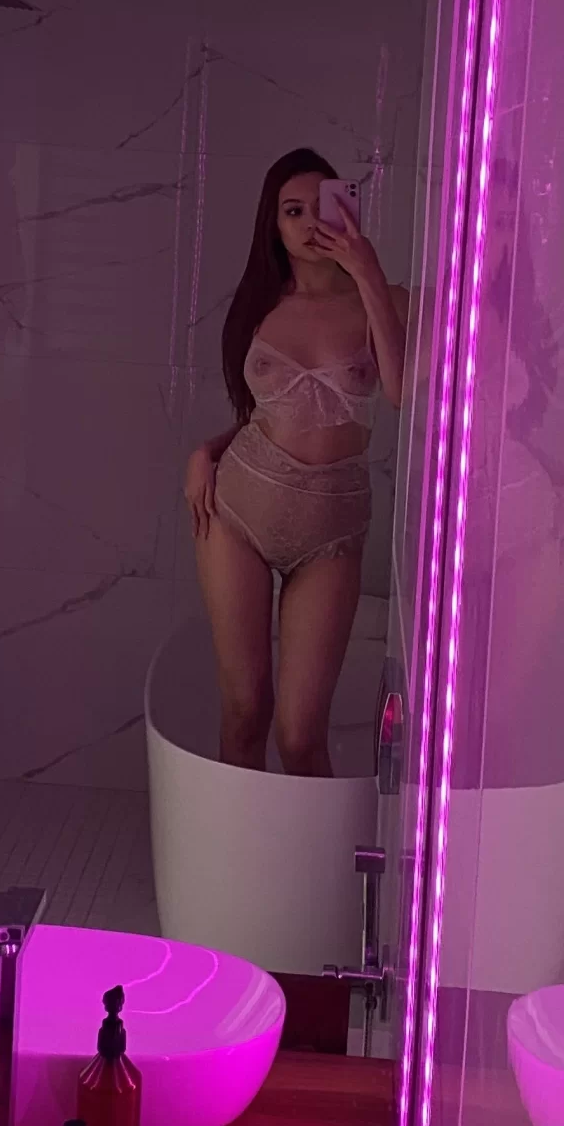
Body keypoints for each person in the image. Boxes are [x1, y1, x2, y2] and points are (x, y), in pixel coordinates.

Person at [184, 148, 408, 771]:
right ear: (274, 224)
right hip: (237, 515)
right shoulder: (260, 304)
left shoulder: (386, 298)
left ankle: (309, 844)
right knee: (245, 710)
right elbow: (271, 413)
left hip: (331, 529)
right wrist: (206, 450)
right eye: (293, 210)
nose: (311, 222)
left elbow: (399, 390)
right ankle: (233, 840)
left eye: (322, 206)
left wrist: (367, 272)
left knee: (301, 735)